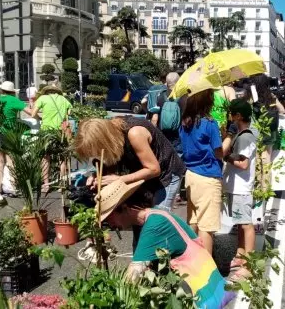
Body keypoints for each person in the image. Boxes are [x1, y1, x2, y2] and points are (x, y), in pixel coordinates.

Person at [96, 179, 232, 308]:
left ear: (125, 208)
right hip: (214, 289)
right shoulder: (157, 213)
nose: (110, 224)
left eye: (109, 217)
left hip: (201, 300)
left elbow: (131, 279)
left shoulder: (155, 226)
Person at [74, 116, 186, 212]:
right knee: (138, 217)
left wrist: (119, 179)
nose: (97, 154)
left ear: (105, 141)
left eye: (97, 151)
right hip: (145, 174)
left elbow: (154, 170)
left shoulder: (135, 133)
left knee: (157, 220)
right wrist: (98, 175)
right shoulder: (113, 134)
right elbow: (111, 159)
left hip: (166, 174)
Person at [179, 89, 224, 254]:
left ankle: (193, 263)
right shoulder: (209, 123)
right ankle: (207, 271)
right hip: (208, 176)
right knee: (207, 226)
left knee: (193, 221)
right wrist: (228, 137)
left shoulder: (185, 123)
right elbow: (219, 152)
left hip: (191, 174)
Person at [222, 99, 258, 281]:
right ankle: (240, 255)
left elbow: (243, 163)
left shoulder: (245, 137)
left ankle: (248, 265)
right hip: (237, 186)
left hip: (241, 187)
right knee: (240, 224)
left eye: (231, 113)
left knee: (246, 224)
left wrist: (226, 156)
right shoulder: (243, 134)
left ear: (238, 116)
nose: (229, 116)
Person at [0, 81, 32, 199]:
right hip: (10, 134)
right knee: (12, 162)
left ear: (1, 90)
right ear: (13, 92)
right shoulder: (14, 101)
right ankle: (13, 188)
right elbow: (30, 112)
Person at [31, 85, 72, 190]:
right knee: (62, 158)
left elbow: (33, 114)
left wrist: (40, 118)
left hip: (46, 131)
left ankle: (46, 184)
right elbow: (69, 113)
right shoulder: (63, 99)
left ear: (47, 91)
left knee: (45, 158)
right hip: (60, 132)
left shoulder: (43, 98)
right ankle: (62, 184)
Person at [249, 74, 285, 190]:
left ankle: (258, 185)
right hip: (270, 131)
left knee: (257, 158)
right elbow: (282, 110)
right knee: (267, 158)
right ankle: (265, 187)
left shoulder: (253, 97)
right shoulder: (271, 96)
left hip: (257, 131)